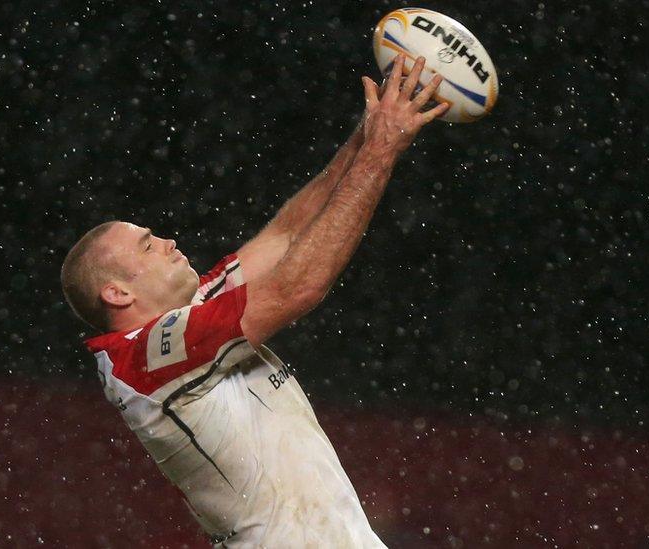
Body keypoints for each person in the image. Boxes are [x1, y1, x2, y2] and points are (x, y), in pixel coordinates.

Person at [59, 55, 446, 547]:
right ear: (117, 293)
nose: (169, 242)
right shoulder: (146, 357)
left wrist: (368, 134)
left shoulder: (190, 313)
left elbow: (287, 233)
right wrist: (383, 150)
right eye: (147, 244)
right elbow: (297, 287)